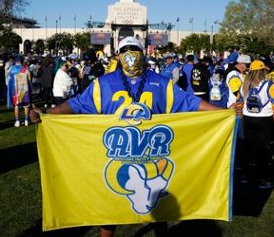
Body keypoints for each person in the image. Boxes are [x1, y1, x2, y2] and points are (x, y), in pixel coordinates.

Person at [30, 36, 242, 237]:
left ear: (142, 53)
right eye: (125, 50)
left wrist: (224, 113)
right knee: (111, 211)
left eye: (134, 50)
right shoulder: (105, 84)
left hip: (144, 151)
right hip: (120, 153)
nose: (129, 55)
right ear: (118, 54)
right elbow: (76, 105)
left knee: (158, 208)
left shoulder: (159, 83)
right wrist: (47, 114)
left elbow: (191, 103)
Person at [241, 60, 274, 189]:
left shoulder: (245, 84)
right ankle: (263, 178)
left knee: (248, 146)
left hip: (247, 117)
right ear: (263, 70)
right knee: (263, 149)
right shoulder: (269, 84)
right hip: (263, 119)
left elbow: (239, 99)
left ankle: (246, 175)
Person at [7, 56, 31, 127]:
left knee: (16, 105)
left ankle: (17, 121)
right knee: (26, 105)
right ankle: (26, 120)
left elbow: (8, 79)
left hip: (15, 90)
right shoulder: (26, 68)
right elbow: (29, 79)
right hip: (24, 89)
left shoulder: (11, 68)